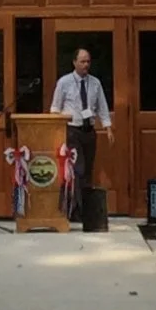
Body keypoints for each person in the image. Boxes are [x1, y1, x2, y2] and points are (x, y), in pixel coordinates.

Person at [49, 47, 111, 223]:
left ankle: (85, 210)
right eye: (82, 61)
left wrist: (107, 127)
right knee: (78, 169)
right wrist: (56, 130)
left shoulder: (95, 83)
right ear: (74, 62)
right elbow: (55, 107)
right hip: (72, 131)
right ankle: (74, 209)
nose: (86, 65)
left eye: (88, 61)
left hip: (88, 131)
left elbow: (102, 106)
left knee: (88, 170)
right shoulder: (64, 82)